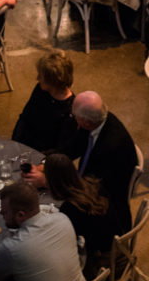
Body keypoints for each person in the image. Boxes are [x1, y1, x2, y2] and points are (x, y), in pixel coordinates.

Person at [26, 91, 137, 233]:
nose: (73, 119)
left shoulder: (110, 147)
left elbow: (89, 188)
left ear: (85, 121)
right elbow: (72, 148)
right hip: (89, 185)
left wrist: (49, 181)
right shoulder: (97, 122)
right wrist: (46, 162)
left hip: (102, 210)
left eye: (74, 116)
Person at [43, 153, 122, 267]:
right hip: (119, 244)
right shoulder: (92, 183)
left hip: (105, 260)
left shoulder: (70, 208)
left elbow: (67, 243)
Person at [12, 49, 75, 153]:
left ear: (53, 81)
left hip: (43, 156)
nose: (37, 78)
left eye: (40, 76)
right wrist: (15, 143)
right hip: (24, 147)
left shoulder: (70, 110)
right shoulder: (41, 90)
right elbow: (25, 117)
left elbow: (60, 149)